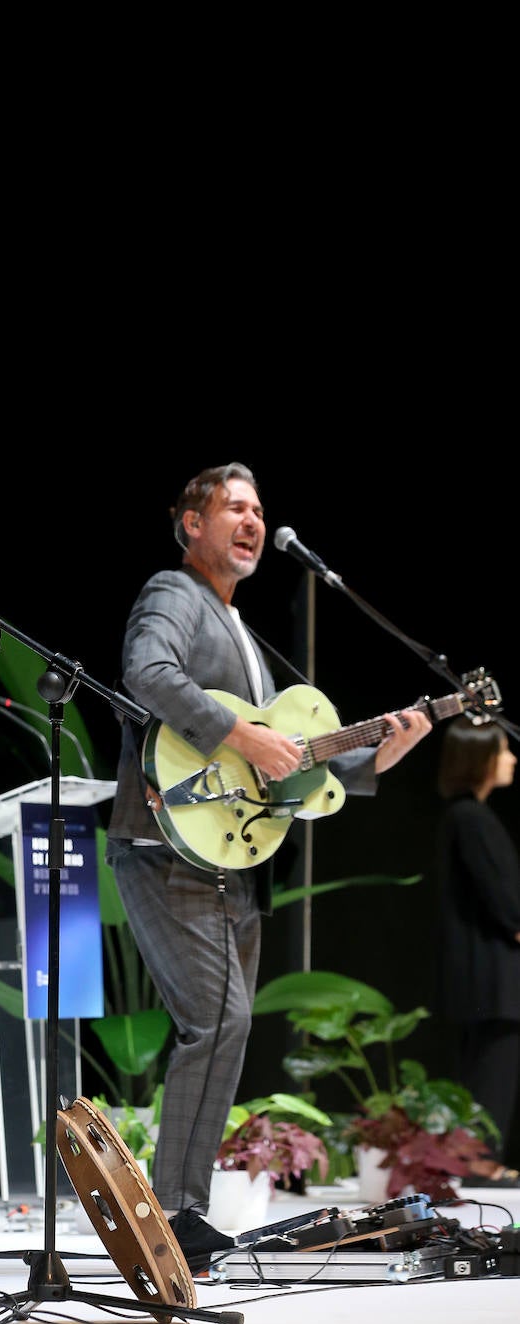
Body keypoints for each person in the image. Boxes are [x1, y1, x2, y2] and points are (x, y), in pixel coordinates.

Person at [105, 462, 432, 1268]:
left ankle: (182, 1210)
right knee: (217, 1020)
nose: (251, 523)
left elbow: (290, 760)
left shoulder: (246, 634)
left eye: (259, 511)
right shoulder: (173, 593)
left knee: (223, 1026)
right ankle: (172, 1213)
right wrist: (242, 735)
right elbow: (147, 673)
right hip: (166, 839)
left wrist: (378, 755)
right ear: (191, 522)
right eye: (234, 509)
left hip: (232, 852)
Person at [435, 716, 520, 1187]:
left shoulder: (468, 815)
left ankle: (474, 1160)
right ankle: (480, 1164)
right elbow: (504, 898)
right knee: (494, 1065)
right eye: (503, 749)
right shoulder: (471, 816)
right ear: (481, 759)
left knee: (489, 1063)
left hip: (484, 969)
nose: (510, 758)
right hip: (491, 971)